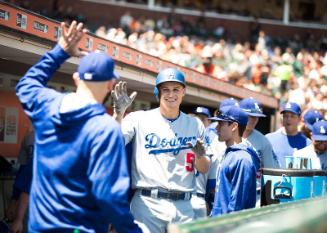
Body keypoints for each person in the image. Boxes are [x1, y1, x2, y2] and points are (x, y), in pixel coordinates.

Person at [16, 21, 141, 233]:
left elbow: (26, 85)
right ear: (111, 83)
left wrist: (60, 52)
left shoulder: (47, 105)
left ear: (76, 78)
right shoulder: (105, 129)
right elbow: (109, 196)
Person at [112, 68, 210, 233]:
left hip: (184, 204)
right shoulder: (139, 118)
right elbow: (112, 143)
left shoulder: (195, 124)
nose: (171, 94)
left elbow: (204, 168)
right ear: (158, 92)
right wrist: (118, 115)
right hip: (148, 202)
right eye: (166, 89)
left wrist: (200, 156)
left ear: (184, 91)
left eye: (176, 89)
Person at [210, 106, 260, 216]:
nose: (216, 128)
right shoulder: (230, 153)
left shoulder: (242, 159)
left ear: (234, 126)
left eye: (221, 124)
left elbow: (237, 207)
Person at [192, 107, 219, 219]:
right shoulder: (179, 142)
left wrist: (208, 201)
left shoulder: (213, 146)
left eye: (203, 118)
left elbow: (212, 185)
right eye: (196, 117)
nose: (199, 121)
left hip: (199, 198)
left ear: (209, 122)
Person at [266, 102, 311, 168]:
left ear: (299, 119)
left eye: (292, 116)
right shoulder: (269, 139)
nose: (288, 119)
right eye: (285, 116)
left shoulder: (308, 143)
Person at [240, 97, 279, 168]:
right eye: (251, 116)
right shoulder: (228, 135)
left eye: (257, 117)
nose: (254, 120)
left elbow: (270, 171)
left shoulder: (264, 141)